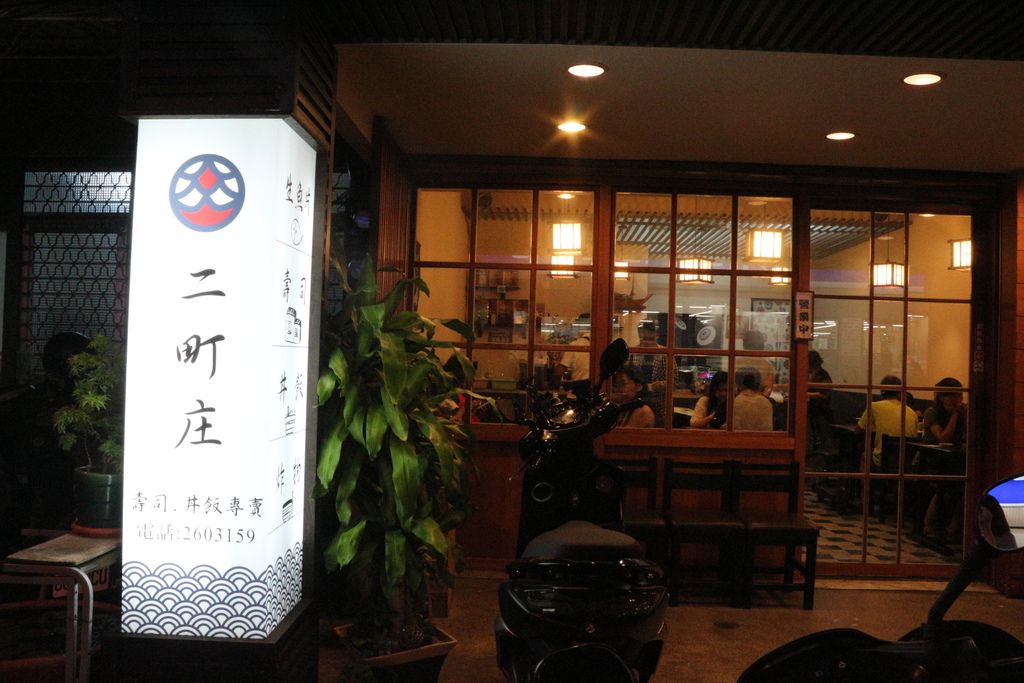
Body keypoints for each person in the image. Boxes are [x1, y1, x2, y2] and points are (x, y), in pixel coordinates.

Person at [921, 377, 967, 542]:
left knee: (967, 486)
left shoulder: (963, 411)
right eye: (953, 395)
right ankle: (929, 526)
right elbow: (942, 438)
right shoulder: (932, 412)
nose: (958, 399)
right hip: (931, 459)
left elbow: (970, 436)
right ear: (942, 397)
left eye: (960, 395)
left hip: (953, 459)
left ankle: (952, 528)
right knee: (949, 486)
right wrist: (954, 414)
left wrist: (965, 415)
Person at [854, 375, 919, 470]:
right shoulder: (911, 412)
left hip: (884, 459)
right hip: (906, 461)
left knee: (864, 455)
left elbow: (857, 430)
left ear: (882, 391)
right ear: (900, 392)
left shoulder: (874, 406)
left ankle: (865, 480)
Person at [807, 350, 835, 452]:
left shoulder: (823, 376)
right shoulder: (811, 375)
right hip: (814, 412)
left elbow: (824, 394)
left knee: (822, 439)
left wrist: (803, 394)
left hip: (820, 414)